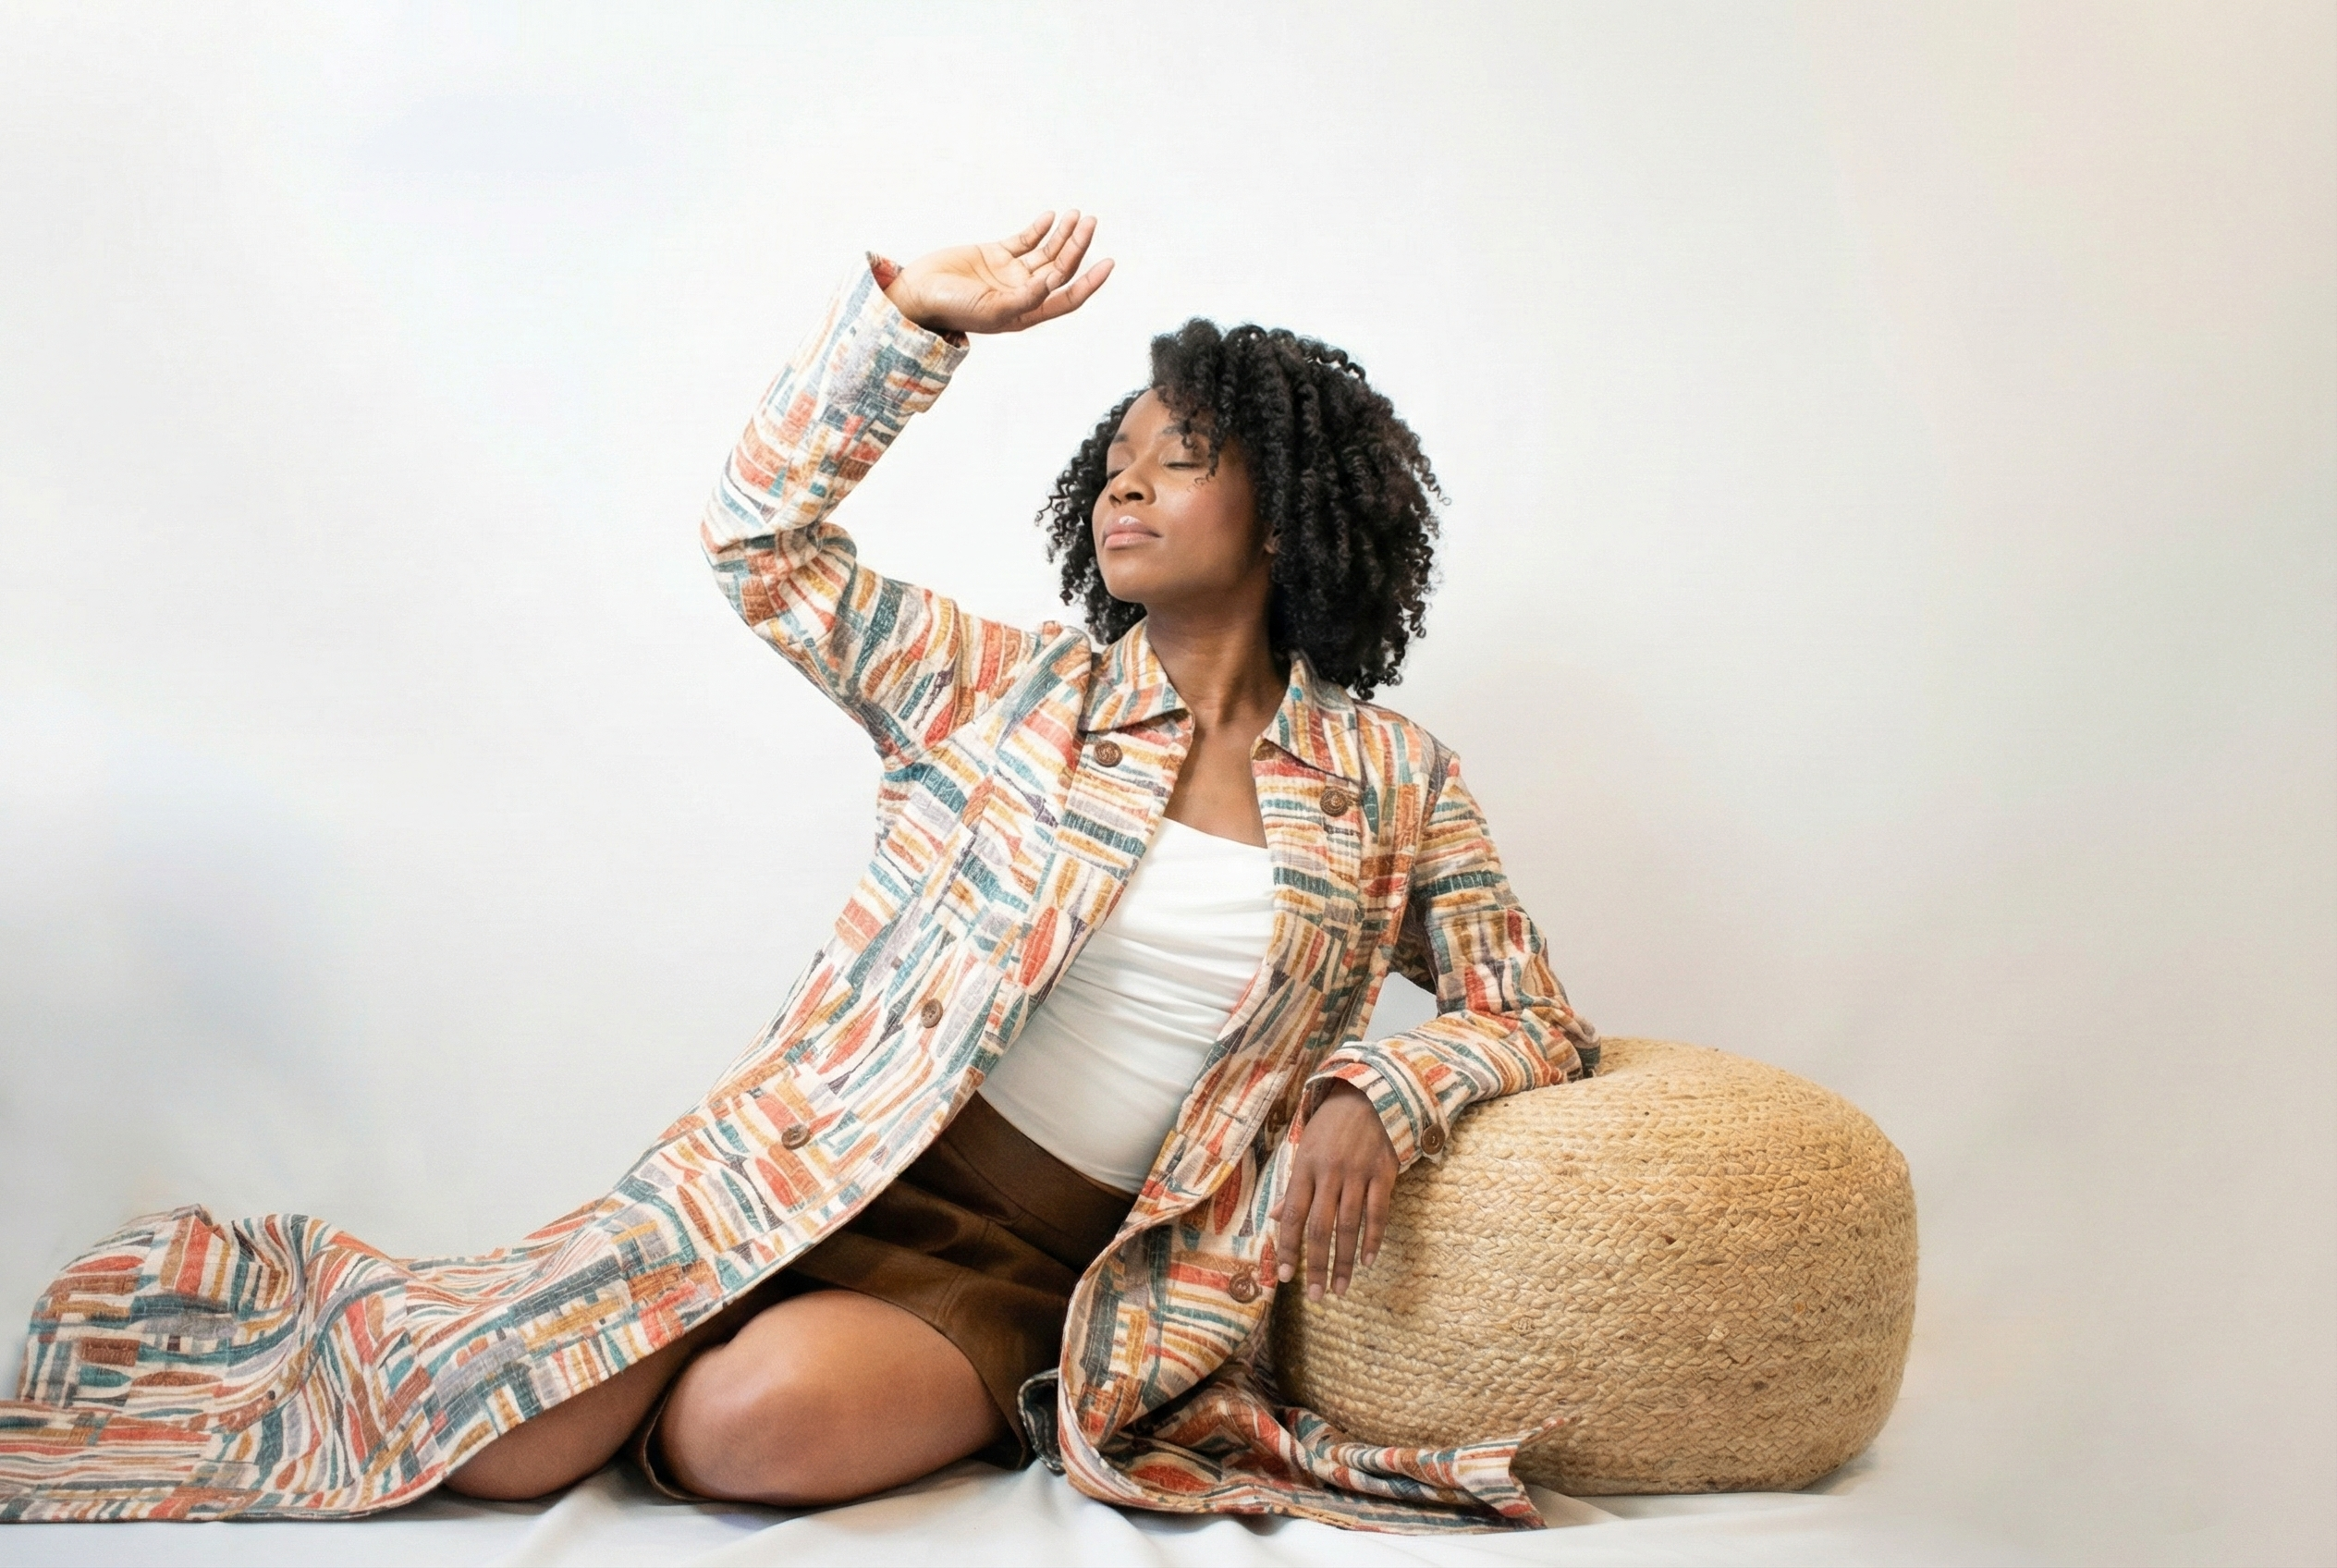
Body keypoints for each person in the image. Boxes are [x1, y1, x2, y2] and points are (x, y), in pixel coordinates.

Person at [0, 210, 1596, 1532]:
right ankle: (574, 1315)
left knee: (744, 1437)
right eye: (1114, 458)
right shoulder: (1005, 689)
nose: (1125, 484)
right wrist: (913, 324)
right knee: (508, 1451)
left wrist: (1379, 1088)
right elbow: (759, 542)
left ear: (1291, 511)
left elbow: (1529, 1012)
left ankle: (731, 1356)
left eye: (1178, 459)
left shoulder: (1394, 785)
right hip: (810, 1164)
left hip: (1056, 1262)